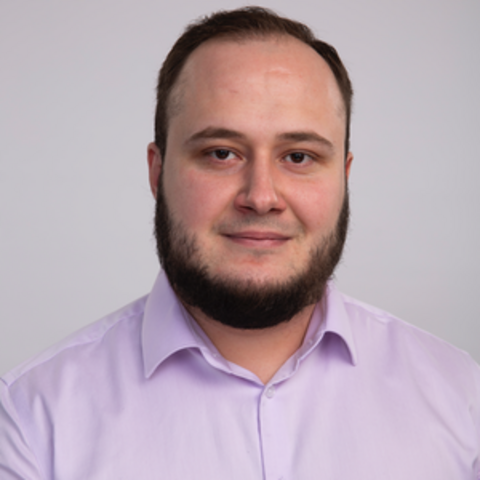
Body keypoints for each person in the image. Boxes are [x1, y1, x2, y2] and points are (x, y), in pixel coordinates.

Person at [1, 6, 479, 479]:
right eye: (221, 153)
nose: (261, 197)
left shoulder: (464, 401)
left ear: (344, 177)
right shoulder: (28, 423)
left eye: (299, 156)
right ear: (157, 172)